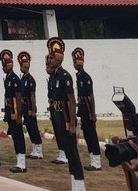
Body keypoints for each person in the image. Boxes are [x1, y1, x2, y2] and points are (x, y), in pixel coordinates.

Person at [46, 37, 85, 191]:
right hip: (57, 116)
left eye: (51, 58)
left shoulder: (65, 76)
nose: (48, 60)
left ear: (59, 59)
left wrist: (73, 124)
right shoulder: (54, 76)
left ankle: (80, 185)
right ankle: (74, 183)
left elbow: (71, 101)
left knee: (73, 153)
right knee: (68, 152)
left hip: (66, 119)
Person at [72, 47, 102, 170]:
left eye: (77, 62)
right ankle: (92, 160)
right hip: (83, 109)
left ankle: (97, 162)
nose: (76, 64)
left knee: (92, 135)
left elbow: (90, 95)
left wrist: (92, 113)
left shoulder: (86, 77)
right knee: (87, 135)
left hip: (88, 109)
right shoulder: (79, 77)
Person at [1, 49, 27, 173]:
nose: (3, 68)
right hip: (10, 111)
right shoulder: (8, 78)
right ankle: (19, 161)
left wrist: (18, 116)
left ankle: (22, 164)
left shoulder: (15, 79)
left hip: (15, 112)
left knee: (18, 137)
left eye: (4, 66)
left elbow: (18, 98)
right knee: (15, 137)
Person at [19, 51, 44, 159]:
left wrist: (33, 110)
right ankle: (34, 149)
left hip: (29, 107)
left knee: (33, 128)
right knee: (29, 128)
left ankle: (39, 150)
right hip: (24, 106)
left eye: (22, 66)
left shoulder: (30, 80)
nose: (21, 68)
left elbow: (33, 96)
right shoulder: (23, 78)